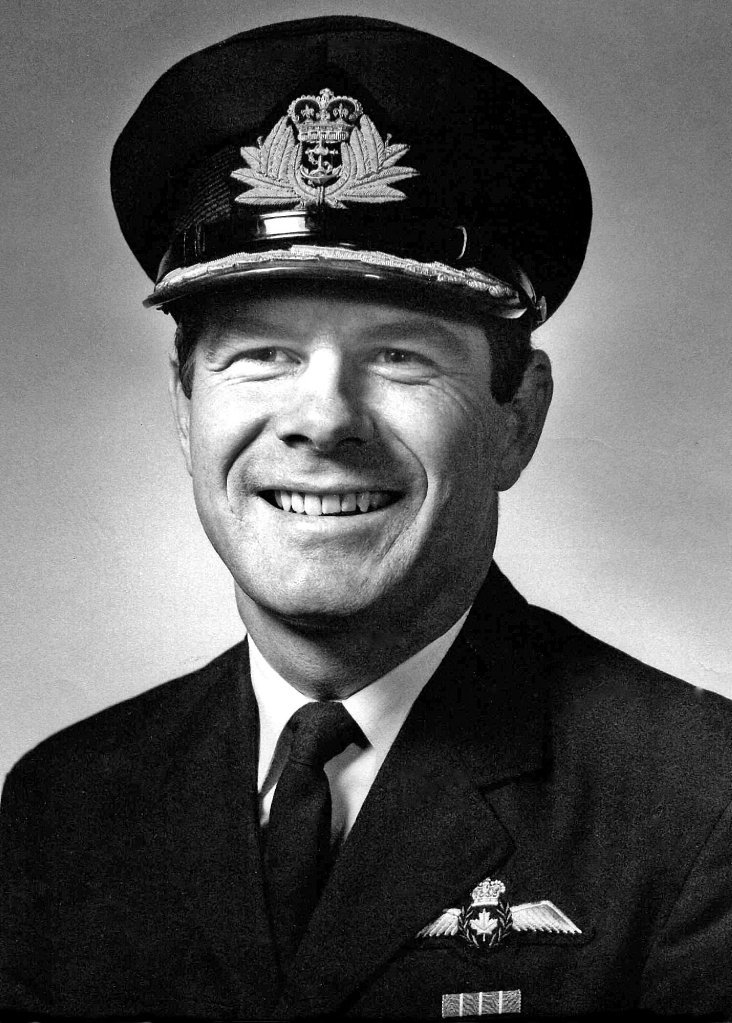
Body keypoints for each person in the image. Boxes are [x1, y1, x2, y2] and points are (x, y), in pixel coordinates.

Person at [1, 15, 731, 1021]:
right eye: (261, 353)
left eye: (400, 355)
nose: (322, 419)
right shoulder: (61, 806)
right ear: (184, 406)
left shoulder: (699, 805)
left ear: (517, 420)